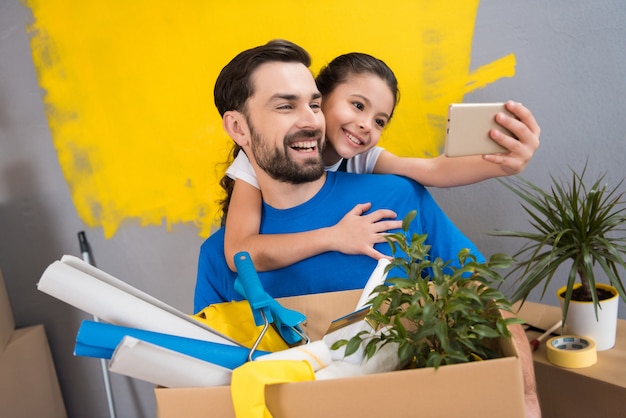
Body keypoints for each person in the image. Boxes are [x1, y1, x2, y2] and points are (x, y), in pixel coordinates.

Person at [195, 39, 540, 417]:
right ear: (239, 128)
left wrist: (524, 399)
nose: (310, 120)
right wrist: (334, 237)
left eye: (312, 104)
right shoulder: (222, 256)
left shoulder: (394, 197)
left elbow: (482, 297)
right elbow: (208, 383)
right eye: (284, 105)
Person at [221, 51, 540, 272]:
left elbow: (433, 169)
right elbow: (239, 251)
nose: (366, 125)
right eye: (357, 105)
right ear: (320, 98)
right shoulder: (261, 160)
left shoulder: (362, 160)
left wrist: (505, 163)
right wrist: (335, 236)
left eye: (379, 121)